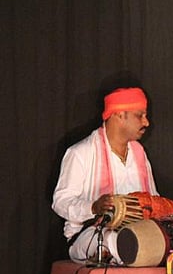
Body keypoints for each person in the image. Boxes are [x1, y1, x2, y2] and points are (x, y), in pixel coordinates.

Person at [52, 87, 159, 263]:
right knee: (111, 240)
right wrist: (93, 207)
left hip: (139, 233)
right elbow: (61, 201)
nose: (146, 122)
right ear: (119, 115)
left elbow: (153, 200)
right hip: (89, 235)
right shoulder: (80, 153)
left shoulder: (140, 154)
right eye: (140, 115)